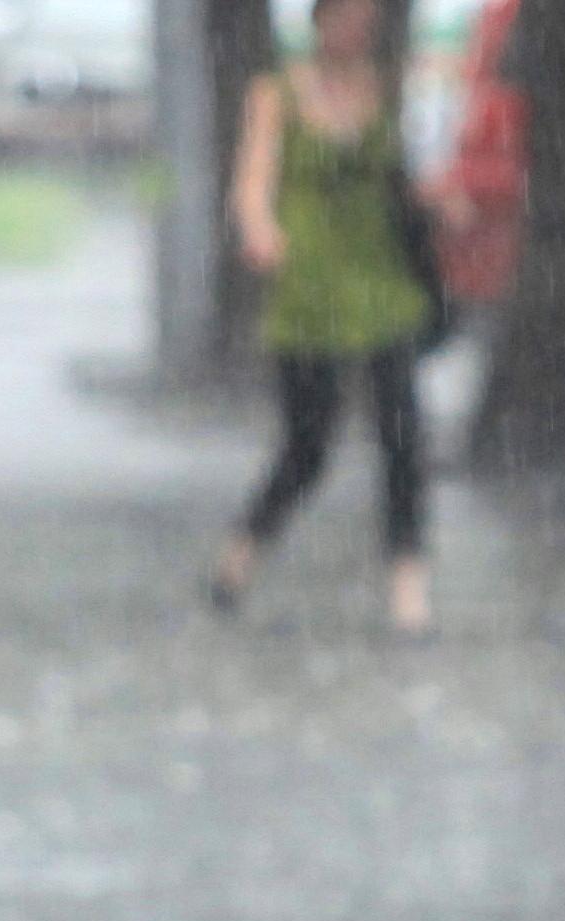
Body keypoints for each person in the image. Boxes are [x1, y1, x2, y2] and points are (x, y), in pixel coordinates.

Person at [214, 0, 448, 633]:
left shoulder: (388, 88)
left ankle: (408, 582)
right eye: (344, 16)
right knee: (307, 446)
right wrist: (261, 229)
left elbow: (412, 176)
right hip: (309, 290)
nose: (356, 30)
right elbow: (254, 179)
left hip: (381, 286)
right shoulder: (276, 94)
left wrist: (440, 206)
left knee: (403, 439)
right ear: (318, 20)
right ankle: (242, 553)